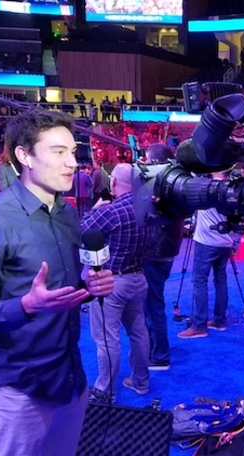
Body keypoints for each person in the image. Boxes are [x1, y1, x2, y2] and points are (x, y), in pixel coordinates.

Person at [0, 108, 114, 455]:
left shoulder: (68, 213)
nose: (72, 163)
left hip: (70, 380)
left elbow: (57, 295)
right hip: (17, 390)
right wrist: (26, 306)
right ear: (24, 156)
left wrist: (89, 288)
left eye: (73, 152)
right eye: (58, 152)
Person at [81, 163, 154, 403]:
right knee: (138, 332)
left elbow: (79, 232)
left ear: (113, 182)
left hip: (111, 282)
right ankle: (141, 382)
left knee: (106, 339)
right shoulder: (147, 208)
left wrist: (94, 209)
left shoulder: (110, 211)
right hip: (138, 278)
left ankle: (106, 392)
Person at [178, 171, 236, 339]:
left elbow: (191, 177)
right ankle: (219, 320)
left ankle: (199, 325)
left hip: (206, 242)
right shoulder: (233, 187)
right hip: (225, 241)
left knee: (199, 281)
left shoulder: (206, 187)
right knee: (221, 280)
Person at [141, 144, 184, 370]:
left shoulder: (163, 186)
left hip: (156, 252)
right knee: (153, 303)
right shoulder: (176, 181)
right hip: (166, 250)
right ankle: (156, 349)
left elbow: (146, 213)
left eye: (148, 162)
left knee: (152, 306)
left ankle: (159, 355)